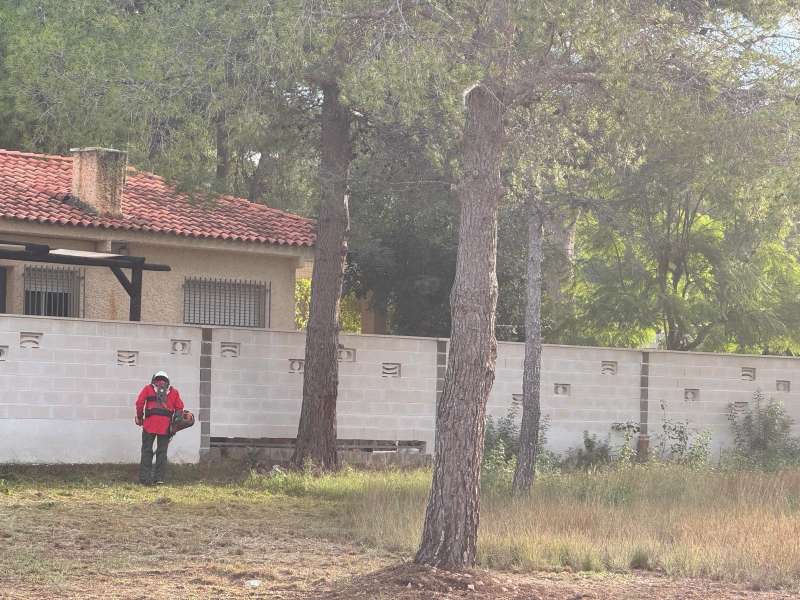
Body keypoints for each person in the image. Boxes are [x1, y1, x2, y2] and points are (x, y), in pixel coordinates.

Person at [135, 371, 184, 485]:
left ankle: (145, 479)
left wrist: (139, 417)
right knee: (162, 452)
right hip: (165, 427)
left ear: (154, 379)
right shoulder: (173, 392)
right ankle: (159, 479)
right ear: (167, 381)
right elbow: (180, 408)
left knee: (147, 451)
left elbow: (139, 403)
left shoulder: (148, 388)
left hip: (149, 425)